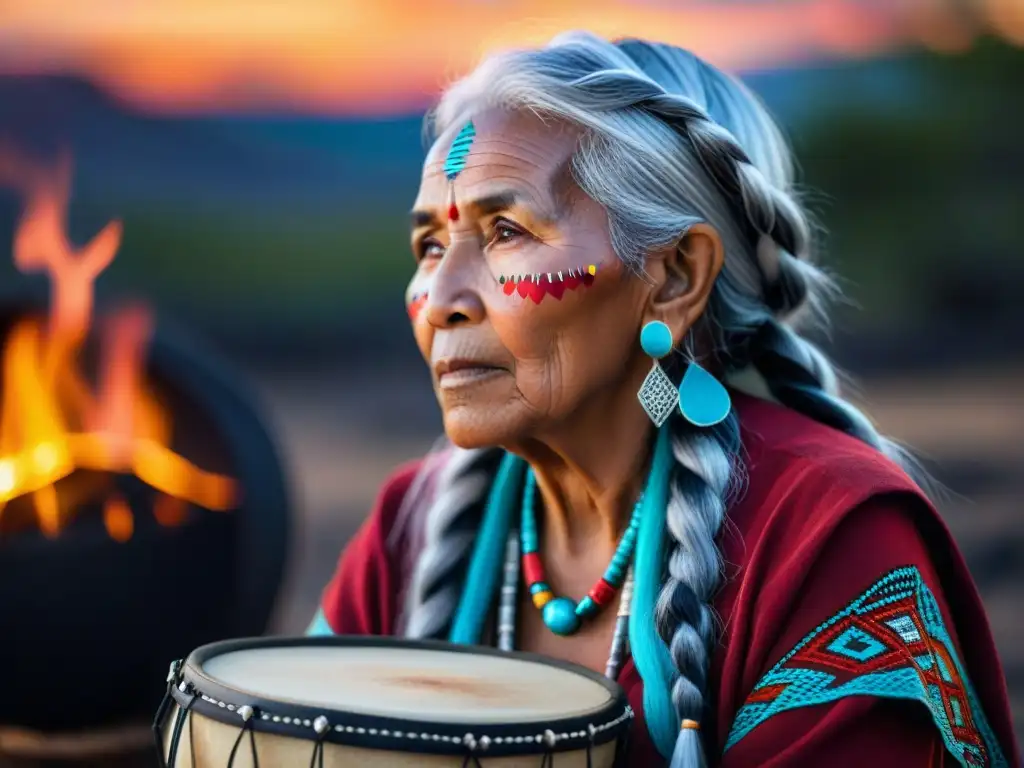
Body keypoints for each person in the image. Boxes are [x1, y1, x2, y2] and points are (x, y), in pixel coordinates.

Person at [308, 31, 1019, 767]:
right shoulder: (410, 527)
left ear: (676, 278)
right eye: (430, 247)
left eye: (507, 232)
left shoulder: (829, 538)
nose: (442, 300)